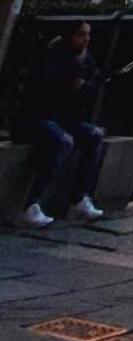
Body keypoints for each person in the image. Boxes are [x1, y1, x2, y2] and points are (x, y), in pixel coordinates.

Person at [14, 21, 107, 226]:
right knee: (64, 142)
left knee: (94, 136)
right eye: (81, 35)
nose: (86, 39)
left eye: (88, 35)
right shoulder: (51, 57)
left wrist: (84, 85)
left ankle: (80, 198)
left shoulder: (86, 60)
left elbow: (92, 87)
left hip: (65, 119)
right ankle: (31, 203)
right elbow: (48, 87)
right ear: (69, 36)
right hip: (38, 118)